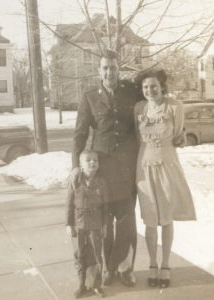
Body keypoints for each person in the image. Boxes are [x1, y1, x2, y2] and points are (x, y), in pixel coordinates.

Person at [71, 49, 138, 287]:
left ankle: (125, 267)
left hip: (128, 169)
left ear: (119, 69)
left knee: (127, 221)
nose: (110, 71)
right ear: (99, 70)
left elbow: (154, 95)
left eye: (113, 67)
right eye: (105, 68)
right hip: (101, 170)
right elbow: (79, 135)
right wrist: (75, 165)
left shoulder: (131, 91)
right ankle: (107, 267)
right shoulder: (90, 97)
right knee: (104, 223)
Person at [134, 69, 196, 288]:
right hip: (144, 167)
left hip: (168, 165)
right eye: (145, 87)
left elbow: (179, 135)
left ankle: (166, 264)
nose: (149, 90)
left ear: (161, 86)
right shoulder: (139, 108)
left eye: (153, 86)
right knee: (151, 218)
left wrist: (179, 141)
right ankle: (152, 264)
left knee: (166, 216)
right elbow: (136, 136)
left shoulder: (174, 107)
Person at [66, 150, 108, 298]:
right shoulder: (75, 181)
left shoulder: (102, 182)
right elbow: (69, 204)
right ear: (81, 166)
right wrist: (69, 224)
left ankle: (96, 285)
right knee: (79, 254)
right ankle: (81, 284)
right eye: (88, 160)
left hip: (96, 225)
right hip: (79, 225)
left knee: (96, 255)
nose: (92, 162)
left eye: (95, 160)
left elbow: (105, 206)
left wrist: (104, 225)